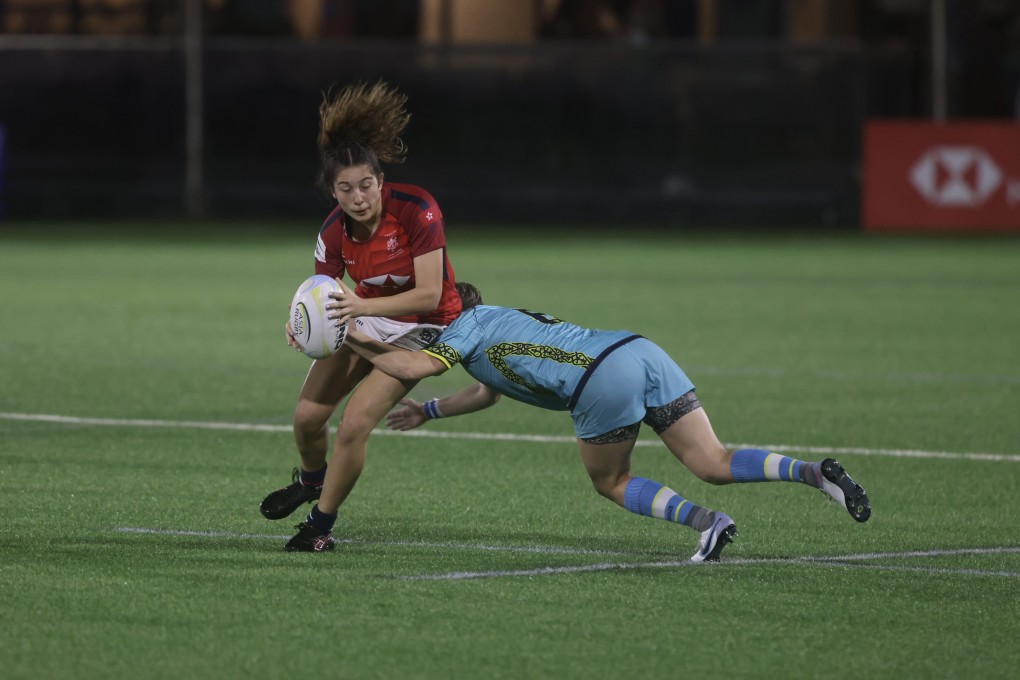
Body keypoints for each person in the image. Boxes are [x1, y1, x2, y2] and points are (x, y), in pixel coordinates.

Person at [289, 281, 871, 560]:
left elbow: (411, 361)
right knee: (712, 460)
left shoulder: (466, 325)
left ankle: (708, 523)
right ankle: (816, 473)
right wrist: (431, 411)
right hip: (640, 351)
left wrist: (351, 336)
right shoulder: (495, 329)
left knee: (610, 481)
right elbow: (487, 392)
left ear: (452, 310)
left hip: (598, 381)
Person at [260, 81, 461, 552]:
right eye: (346, 188)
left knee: (353, 425)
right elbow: (321, 294)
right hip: (365, 315)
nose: (359, 197)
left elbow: (429, 292)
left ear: (381, 182)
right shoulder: (332, 233)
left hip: (427, 326)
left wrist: (359, 307)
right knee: (308, 417)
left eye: (366, 185)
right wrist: (301, 323)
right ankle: (313, 482)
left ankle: (320, 524)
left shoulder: (417, 210)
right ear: (333, 191)